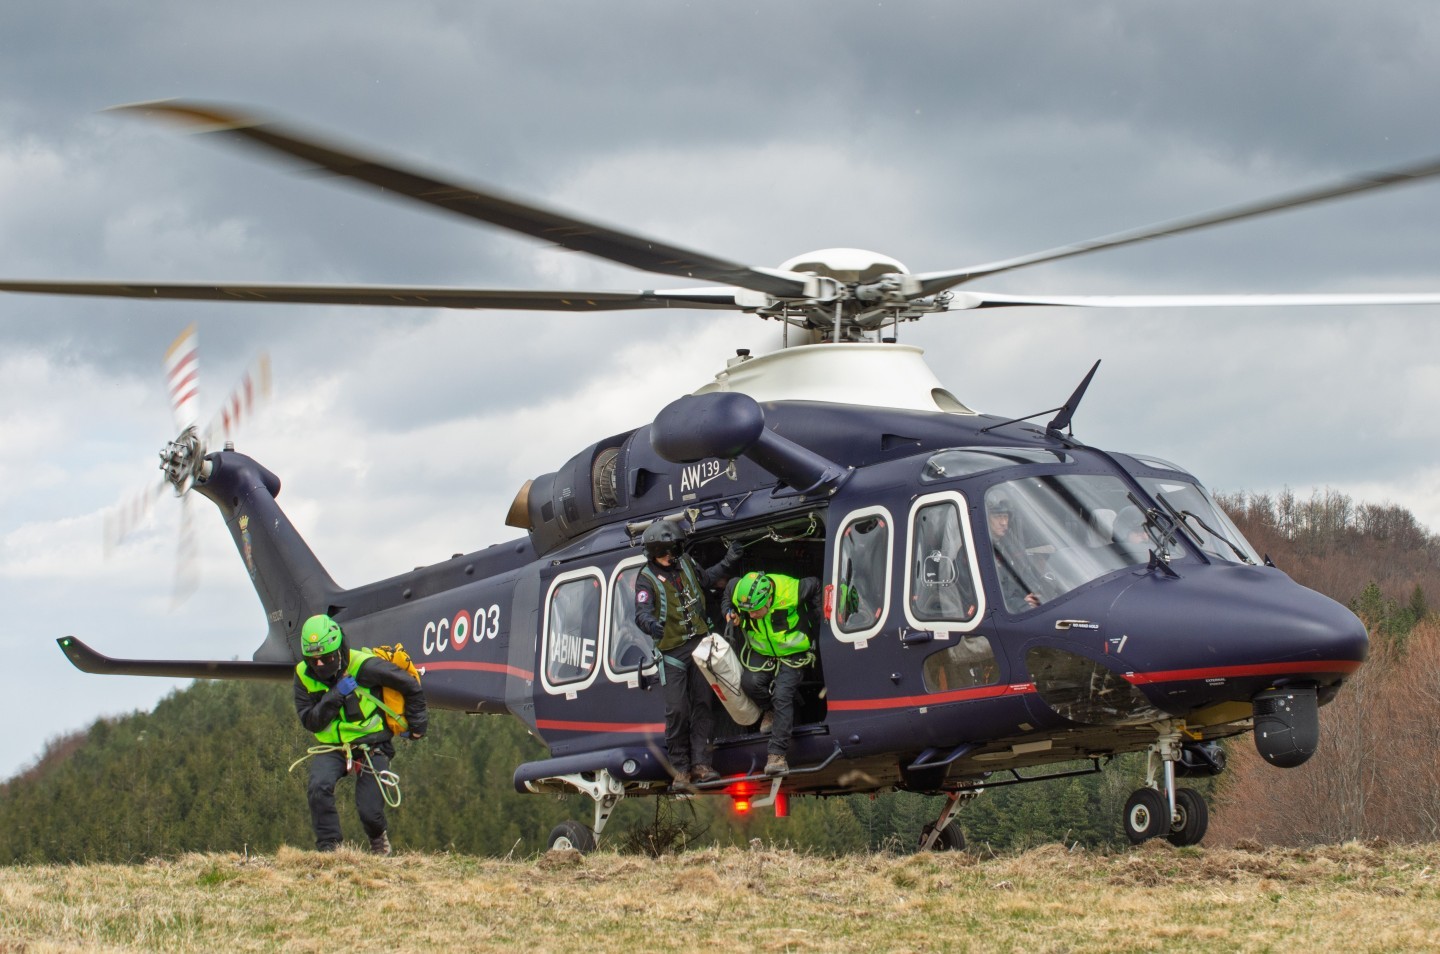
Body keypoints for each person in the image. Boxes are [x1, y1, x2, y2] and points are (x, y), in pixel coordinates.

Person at [294, 613, 427, 854]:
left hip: (372, 742)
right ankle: (329, 849)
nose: (320, 665)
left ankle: (378, 842)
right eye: (313, 660)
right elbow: (311, 721)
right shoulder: (303, 675)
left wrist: (418, 726)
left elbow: (411, 685)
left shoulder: (364, 666)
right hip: (334, 745)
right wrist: (336, 695)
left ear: (338, 650)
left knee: (369, 809)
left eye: (325, 658)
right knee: (318, 787)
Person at [634, 520, 740, 789]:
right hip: (671, 654)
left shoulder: (687, 564)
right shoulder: (645, 578)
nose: (673, 555)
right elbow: (642, 612)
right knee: (677, 710)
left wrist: (730, 559)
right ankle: (681, 769)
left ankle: (702, 764)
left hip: (700, 646)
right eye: (669, 551)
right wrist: (650, 625)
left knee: (704, 704)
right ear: (657, 551)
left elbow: (707, 578)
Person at [723, 570, 823, 777]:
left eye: (756, 610)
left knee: (782, 694)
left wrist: (819, 622)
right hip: (762, 650)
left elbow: (815, 584)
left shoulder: (791, 589)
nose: (751, 615)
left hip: (794, 652)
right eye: (747, 611)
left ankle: (777, 755)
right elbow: (727, 594)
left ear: (769, 599)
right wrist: (728, 612)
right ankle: (770, 710)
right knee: (749, 683)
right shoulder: (737, 587)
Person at [989, 499, 1041, 611]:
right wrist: (1022, 603)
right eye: (998, 517)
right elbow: (990, 594)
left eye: (1005, 517)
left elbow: (1025, 571)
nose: (1003, 522)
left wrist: (1034, 594)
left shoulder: (1009, 546)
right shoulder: (978, 550)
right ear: (987, 519)